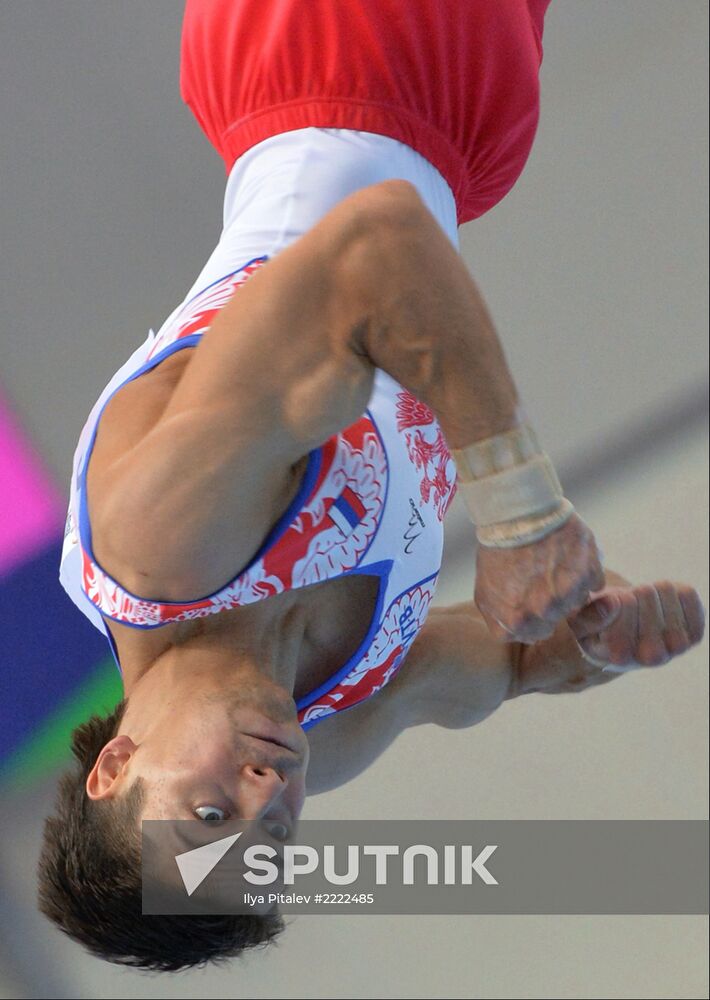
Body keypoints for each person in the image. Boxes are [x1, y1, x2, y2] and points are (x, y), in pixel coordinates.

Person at [39, 0, 704, 972]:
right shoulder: (333, 725)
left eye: (212, 809)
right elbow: (509, 666)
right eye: (269, 837)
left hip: (329, 49)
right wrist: (594, 643)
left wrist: (518, 515)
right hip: (463, 124)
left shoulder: (162, 543)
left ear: (116, 766)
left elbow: (379, 247)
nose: (269, 791)